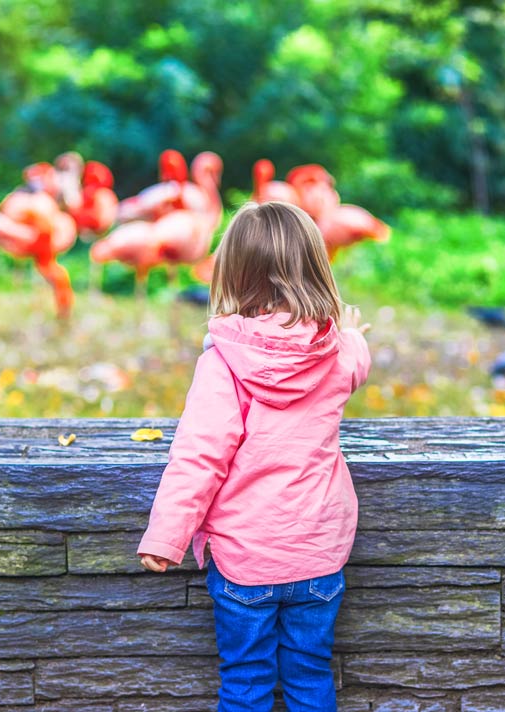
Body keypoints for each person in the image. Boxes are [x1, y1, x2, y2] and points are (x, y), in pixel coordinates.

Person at [136, 200, 372, 711]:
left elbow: (199, 457)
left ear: (232, 273)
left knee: (246, 684)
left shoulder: (222, 364)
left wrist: (165, 537)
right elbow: (356, 361)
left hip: (246, 564)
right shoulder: (338, 352)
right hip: (319, 558)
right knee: (310, 676)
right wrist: (350, 333)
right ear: (315, 267)